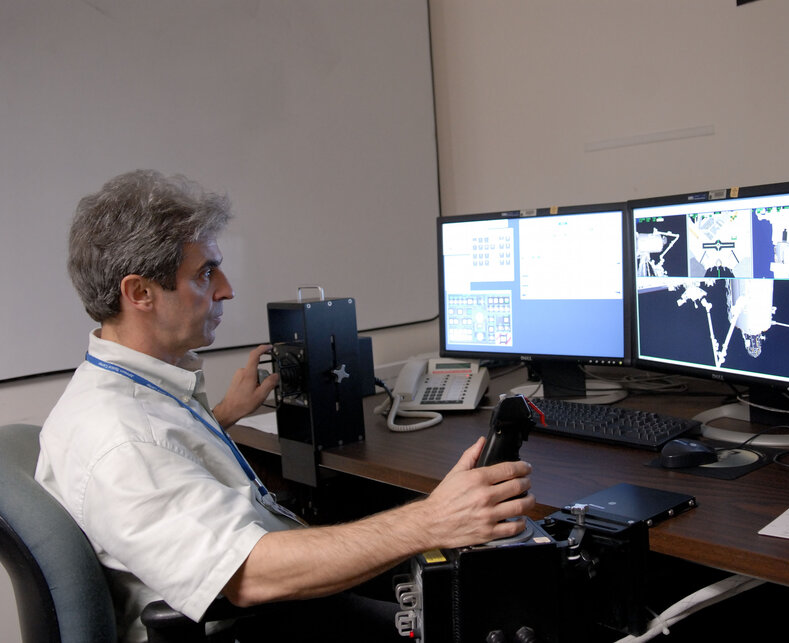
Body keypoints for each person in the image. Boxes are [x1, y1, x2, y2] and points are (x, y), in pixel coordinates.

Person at [35, 170, 536, 642]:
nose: (227, 289)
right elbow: (248, 576)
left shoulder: (127, 396)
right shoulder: (121, 438)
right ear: (140, 292)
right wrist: (432, 519)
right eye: (206, 273)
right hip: (260, 621)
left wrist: (218, 420)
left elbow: (163, 463)